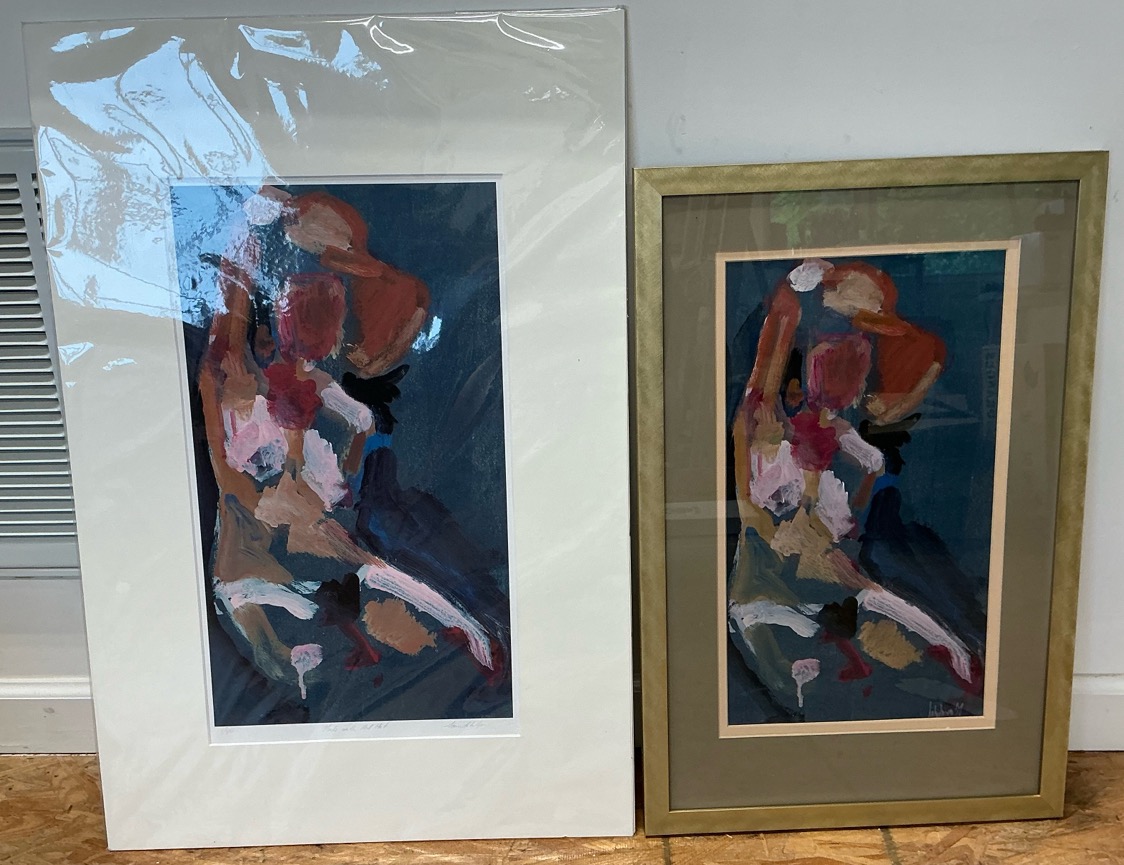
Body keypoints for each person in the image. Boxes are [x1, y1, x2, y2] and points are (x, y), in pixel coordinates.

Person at [728, 258, 982, 722]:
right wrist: (791, 295)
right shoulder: (771, 428)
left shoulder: (832, 438)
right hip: (780, 594)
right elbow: (765, 383)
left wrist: (947, 643)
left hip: (813, 591)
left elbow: (855, 575)